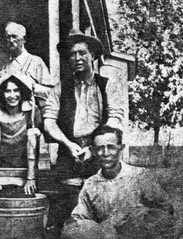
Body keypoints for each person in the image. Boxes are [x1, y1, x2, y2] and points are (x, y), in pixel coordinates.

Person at [46, 126, 175, 239]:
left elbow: (165, 209)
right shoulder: (91, 184)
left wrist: (143, 221)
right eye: (100, 148)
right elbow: (80, 217)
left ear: (121, 149)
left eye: (111, 147)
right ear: (93, 151)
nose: (105, 153)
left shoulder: (139, 177)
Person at [42, 29, 127, 227]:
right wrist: (68, 144)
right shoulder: (59, 88)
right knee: (69, 211)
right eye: (72, 54)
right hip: (68, 153)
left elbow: (115, 119)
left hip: (99, 153)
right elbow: (49, 121)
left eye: (82, 53)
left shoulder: (107, 86)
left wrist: (93, 148)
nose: (77, 58)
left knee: (102, 207)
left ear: (93, 56)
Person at [0, 74, 42, 196]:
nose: (12, 95)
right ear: (1, 94)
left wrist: (31, 179)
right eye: (8, 91)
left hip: (25, 168)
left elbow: (32, 146)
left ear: (22, 92)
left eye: (16, 90)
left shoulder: (32, 111)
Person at [0, 22, 54, 109]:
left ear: (24, 39)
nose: (11, 40)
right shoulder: (6, 67)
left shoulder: (36, 62)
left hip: (33, 116)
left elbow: (51, 93)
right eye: (8, 37)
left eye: (14, 36)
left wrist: (31, 85)